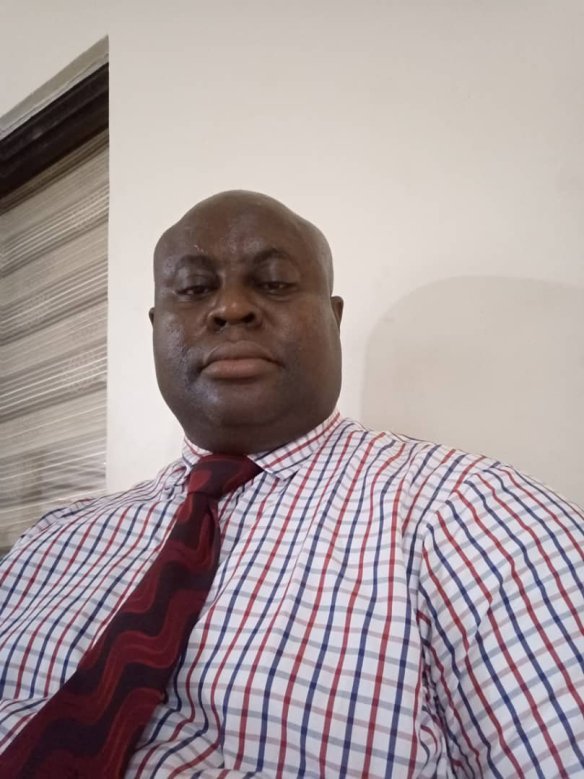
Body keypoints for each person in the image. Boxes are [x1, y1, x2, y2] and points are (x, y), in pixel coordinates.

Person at [0, 190, 582, 778]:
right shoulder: (50, 543)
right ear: (157, 328)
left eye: (275, 283)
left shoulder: (478, 517)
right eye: (195, 289)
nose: (231, 308)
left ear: (334, 318)